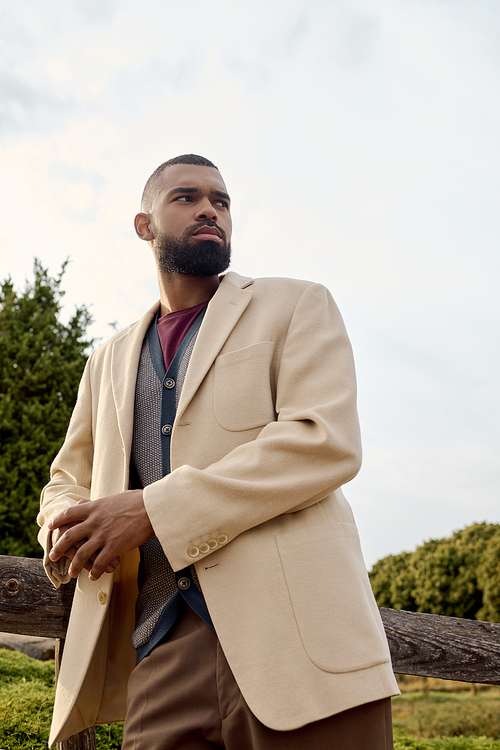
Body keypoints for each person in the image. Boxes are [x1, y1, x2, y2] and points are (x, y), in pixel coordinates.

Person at [38, 154, 399, 749]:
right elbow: (64, 479)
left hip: (301, 643)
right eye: (187, 197)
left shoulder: (297, 304)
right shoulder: (106, 359)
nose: (210, 209)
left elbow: (323, 440)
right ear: (144, 225)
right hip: (161, 650)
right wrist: (65, 525)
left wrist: (150, 511)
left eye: (222, 201)